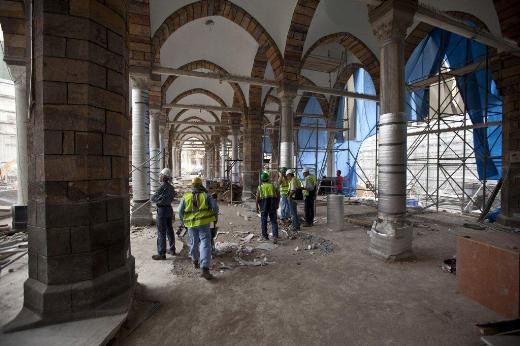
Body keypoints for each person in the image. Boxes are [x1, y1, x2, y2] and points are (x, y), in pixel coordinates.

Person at [178, 177, 219, 280]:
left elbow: (180, 211)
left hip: (191, 224)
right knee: (205, 243)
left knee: (193, 242)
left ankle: (195, 261)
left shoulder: (186, 196)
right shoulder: (206, 196)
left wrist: (183, 221)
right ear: (201, 185)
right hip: (204, 223)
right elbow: (215, 208)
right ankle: (204, 268)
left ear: (192, 185)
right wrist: (214, 218)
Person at [151, 168, 176, 260]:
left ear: (164, 177)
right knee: (170, 230)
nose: (159, 177)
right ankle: (172, 249)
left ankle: (161, 253)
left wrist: (158, 199)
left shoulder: (161, 187)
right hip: (169, 209)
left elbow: (153, 198)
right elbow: (173, 196)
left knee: (161, 232)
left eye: (160, 175)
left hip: (161, 211)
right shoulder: (172, 187)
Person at [256, 172, 280, 244]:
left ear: (262, 180)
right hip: (272, 206)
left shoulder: (260, 187)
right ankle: (275, 237)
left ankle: (265, 236)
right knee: (273, 221)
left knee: (264, 221)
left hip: (263, 206)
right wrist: (277, 204)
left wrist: (256, 207)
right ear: (268, 179)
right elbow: (278, 195)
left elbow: (257, 198)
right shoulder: (272, 186)